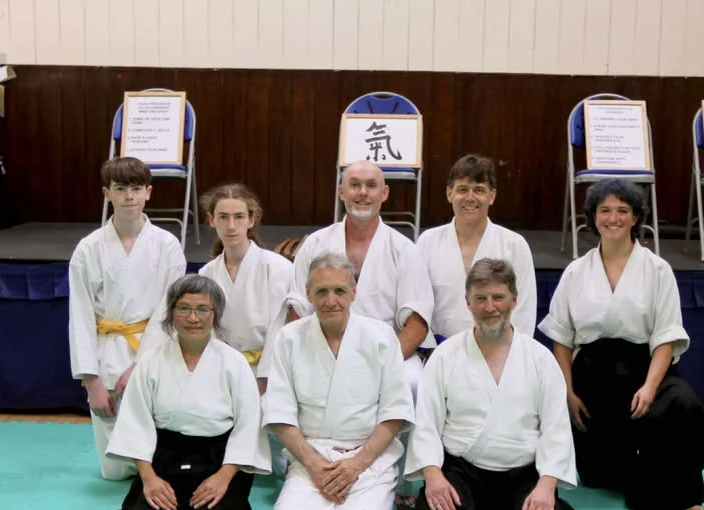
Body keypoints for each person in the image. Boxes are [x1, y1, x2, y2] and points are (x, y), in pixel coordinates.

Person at [538, 179, 704, 510]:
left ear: (635, 217)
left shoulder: (657, 270)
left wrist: (650, 387)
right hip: (592, 383)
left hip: (644, 371)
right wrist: (568, 393)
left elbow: (666, 336)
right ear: (593, 217)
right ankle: (629, 469)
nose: (613, 218)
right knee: (600, 477)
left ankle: (677, 492)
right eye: (605, 210)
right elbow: (560, 337)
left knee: (682, 405)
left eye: (622, 210)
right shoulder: (576, 271)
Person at [397, 259, 585, 510]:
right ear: (468, 303)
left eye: (498, 297)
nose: (489, 307)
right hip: (463, 476)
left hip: (522, 478)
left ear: (514, 299)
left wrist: (546, 486)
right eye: (480, 298)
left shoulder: (540, 359)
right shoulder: (445, 355)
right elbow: (427, 423)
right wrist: (433, 477)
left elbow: (556, 430)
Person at [263, 252, 416, 510]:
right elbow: (280, 413)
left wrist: (355, 466)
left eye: (339, 291)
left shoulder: (381, 337)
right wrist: (314, 466)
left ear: (353, 292)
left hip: (367, 456)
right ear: (308, 293)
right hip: (312, 455)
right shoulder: (289, 338)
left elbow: (395, 412)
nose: (330, 301)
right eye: (321, 291)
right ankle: (321, 506)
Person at [106, 274, 271, 510]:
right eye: (184, 309)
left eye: (203, 309)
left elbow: (249, 425)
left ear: (215, 315)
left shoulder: (234, 363)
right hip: (164, 459)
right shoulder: (150, 361)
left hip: (217, 459)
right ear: (171, 313)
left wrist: (224, 477)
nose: (193, 318)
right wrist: (149, 478)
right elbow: (135, 422)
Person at [69, 157, 187, 480]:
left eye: (136, 188)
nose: (129, 197)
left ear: (148, 192)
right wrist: (91, 380)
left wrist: (141, 363)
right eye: (120, 189)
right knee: (114, 470)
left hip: (153, 351)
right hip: (107, 352)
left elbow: (169, 311)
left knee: (158, 456)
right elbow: (80, 316)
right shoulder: (88, 249)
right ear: (107, 193)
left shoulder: (167, 246)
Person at [283, 161, 434, 395]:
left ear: (384, 193)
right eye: (354, 185)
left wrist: (383, 363)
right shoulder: (315, 244)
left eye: (371, 185)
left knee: (412, 381)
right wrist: (313, 354)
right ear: (341, 192)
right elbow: (298, 310)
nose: (363, 192)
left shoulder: (404, 250)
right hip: (322, 347)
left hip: (384, 351)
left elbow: (417, 323)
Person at [417, 154, 537, 339]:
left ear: (492, 196)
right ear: (449, 194)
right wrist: (433, 351)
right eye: (462, 189)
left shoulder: (514, 245)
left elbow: (524, 313)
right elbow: (418, 306)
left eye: (479, 190)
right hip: (440, 349)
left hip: (500, 348)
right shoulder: (428, 242)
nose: (470, 198)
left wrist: (508, 352)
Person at [197, 182, 293, 394]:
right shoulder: (207, 273)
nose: (231, 226)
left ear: (251, 219)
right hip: (221, 370)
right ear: (212, 220)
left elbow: (279, 327)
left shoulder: (277, 268)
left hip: (267, 372)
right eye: (223, 217)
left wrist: (264, 378)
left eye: (239, 217)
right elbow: (208, 331)